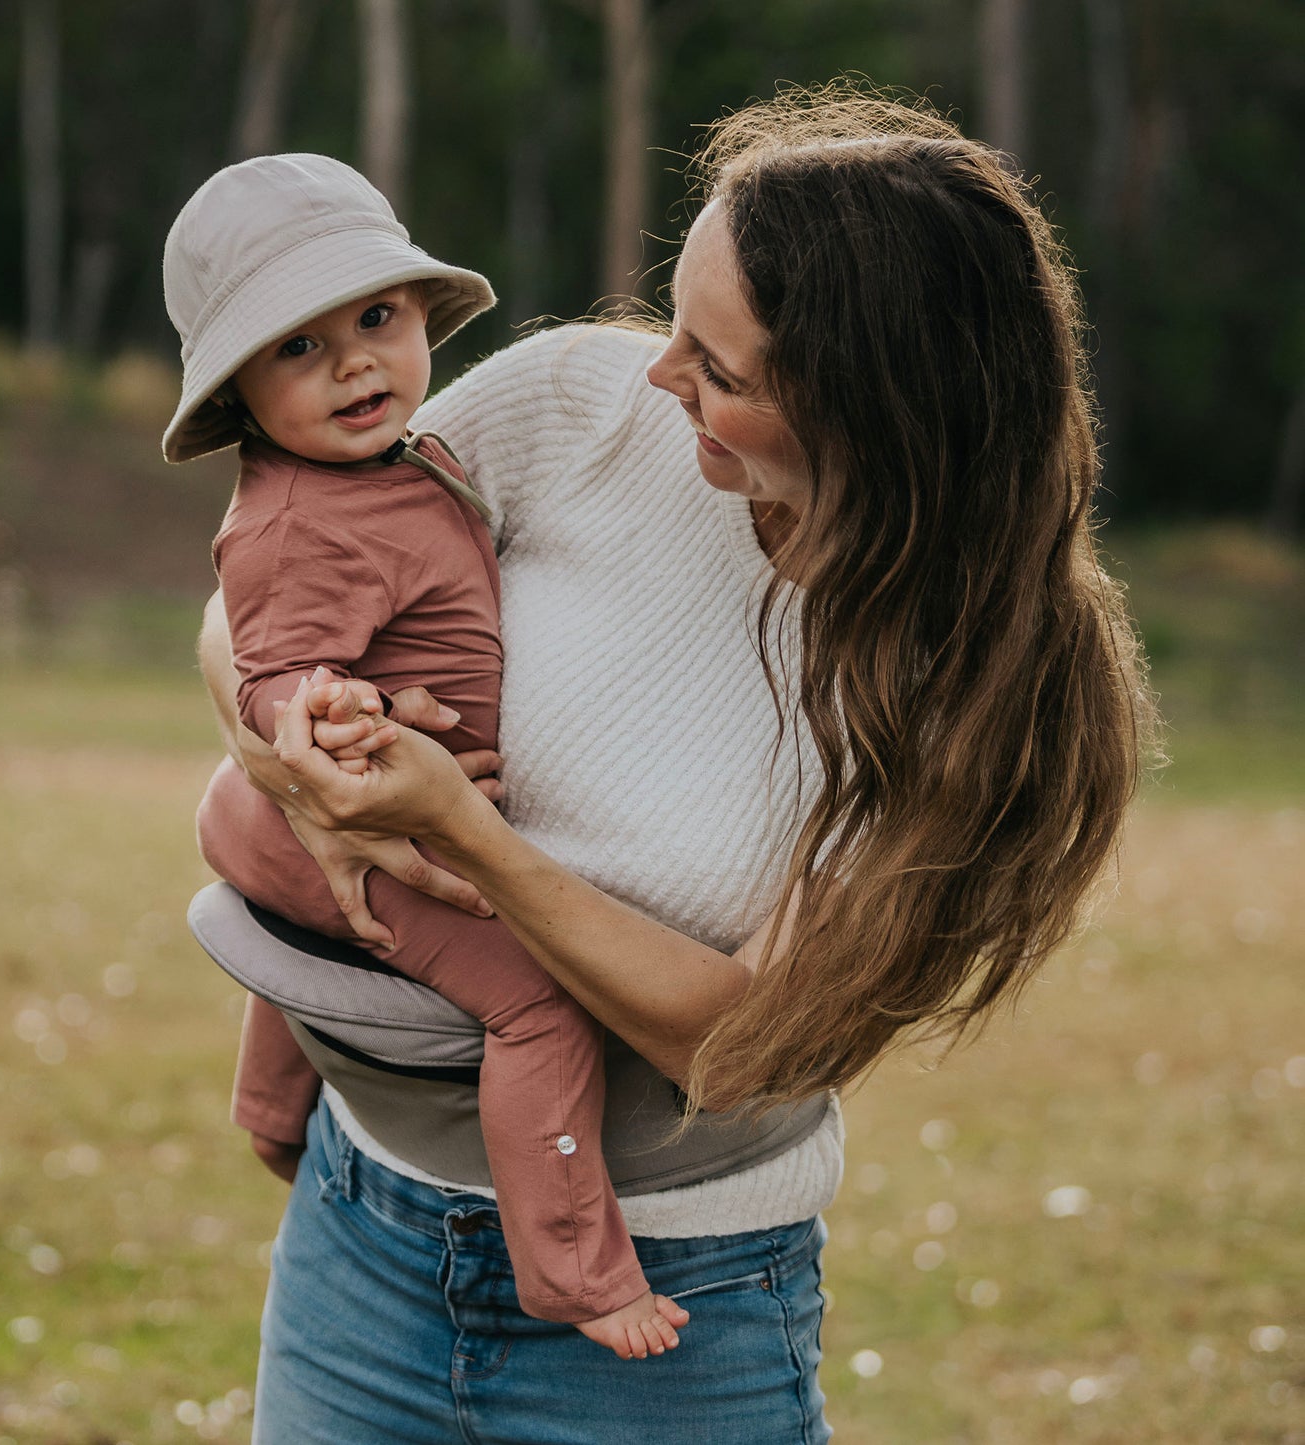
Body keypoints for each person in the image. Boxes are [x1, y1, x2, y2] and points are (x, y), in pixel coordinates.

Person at [199, 82, 1153, 1443]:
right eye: (675, 325)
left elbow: (744, 1045)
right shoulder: (579, 402)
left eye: (721, 370)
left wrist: (465, 837)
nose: (659, 377)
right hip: (363, 1236)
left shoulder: (974, 687)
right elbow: (262, 586)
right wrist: (303, 759)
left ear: (872, 410)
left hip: (673, 1313)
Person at [164, 153, 690, 1357]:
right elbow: (277, 670)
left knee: (330, 933)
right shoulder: (298, 518)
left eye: (375, 317)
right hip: (354, 828)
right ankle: (573, 1270)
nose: (354, 360)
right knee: (540, 1002)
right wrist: (329, 722)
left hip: (282, 833)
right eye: (298, 346)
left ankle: (268, 1103)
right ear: (237, 388)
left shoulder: (395, 457)